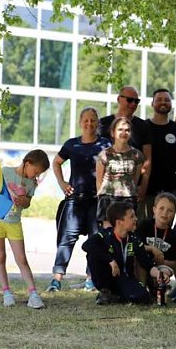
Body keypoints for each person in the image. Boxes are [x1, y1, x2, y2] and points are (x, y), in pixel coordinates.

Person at [48, 107, 110, 292]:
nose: (89, 123)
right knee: (66, 238)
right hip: (75, 200)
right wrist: (62, 183)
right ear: (80, 123)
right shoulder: (71, 144)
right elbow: (56, 162)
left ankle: (91, 279)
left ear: (97, 122)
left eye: (93, 120)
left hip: (97, 200)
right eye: (86, 120)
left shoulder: (106, 144)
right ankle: (56, 279)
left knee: (95, 239)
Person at [0, 149, 50, 309]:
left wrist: (24, 201)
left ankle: (33, 294)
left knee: (21, 259)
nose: (36, 176)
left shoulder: (31, 183)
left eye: (39, 174)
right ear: (27, 164)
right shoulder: (5, 172)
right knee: (0, 256)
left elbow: (28, 202)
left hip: (14, 223)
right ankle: (6, 293)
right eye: (35, 171)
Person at [83, 200, 171, 305]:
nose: (136, 219)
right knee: (93, 253)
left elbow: (147, 264)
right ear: (119, 222)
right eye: (132, 216)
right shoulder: (105, 235)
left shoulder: (134, 239)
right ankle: (105, 291)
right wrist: (110, 260)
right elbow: (86, 245)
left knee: (143, 298)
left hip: (125, 278)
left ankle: (117, 296)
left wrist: (158, 274)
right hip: (107, 277)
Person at [98, 86, 152, 202]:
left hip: (131, 190)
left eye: (136, 101)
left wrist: (143, 186)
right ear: (119, 99)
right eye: (129, 100)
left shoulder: (143, 126)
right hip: (107, 191)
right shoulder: (103, 123)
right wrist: (99, 189)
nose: (133, 104)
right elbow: (97, 157)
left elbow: (147, 160)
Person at [135, 192, 176, 302]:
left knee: (164, 272)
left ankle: (158, 290)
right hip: (143, 265)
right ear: (154, 209)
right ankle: (141, 290)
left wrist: (162, 261)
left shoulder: (173, 235)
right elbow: (135, 245)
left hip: (160, 266)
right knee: (140, 262)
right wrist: (152, 248)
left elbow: (174, 262)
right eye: (161, 208)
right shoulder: (144, 226)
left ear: (174, 214)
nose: (165, 213)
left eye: (170, 210)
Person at [142, 88, 176, 220]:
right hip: (147, 188)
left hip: (170, 188)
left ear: (171, 104)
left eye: (167, 100)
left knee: (165, 225)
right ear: (152, 103)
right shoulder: (143, 127)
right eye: (159, 99)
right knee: (145, 224)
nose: (163, 102)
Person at [96, 117, 145, 224]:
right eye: (120, 130)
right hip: (108, 198)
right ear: (112, 133)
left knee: (127, 229)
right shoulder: (104, 154)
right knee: (108, 231)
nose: (124, 133)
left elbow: (135, 179)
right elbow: (99, 181)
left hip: (128, 198)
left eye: (127, 130)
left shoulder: (137, 155)